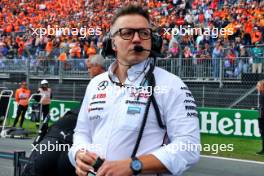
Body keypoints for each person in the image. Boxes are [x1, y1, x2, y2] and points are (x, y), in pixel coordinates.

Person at [69, 5, 200, 176]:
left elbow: (189, 147)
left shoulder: (172, 85)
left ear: (152, 41)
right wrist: (78, 154)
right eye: (127, 33)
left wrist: (134, 165)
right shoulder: (95, 84)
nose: (137, 39)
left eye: (144, 33)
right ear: (112, 43)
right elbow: (81, 133)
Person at [22, 55, 105, 176]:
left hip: (69, 136)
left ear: (98, 66)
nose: (88, 71)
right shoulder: (95, 84)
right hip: (65, 135)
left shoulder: (105, 83)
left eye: (90, 68)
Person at [256, 80, 264, 155]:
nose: (257, 87)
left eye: (259, 86)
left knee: (262, 132)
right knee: (262, 132)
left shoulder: (262, 94)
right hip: (261, 114)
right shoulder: (261, 94)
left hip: (262, 115)